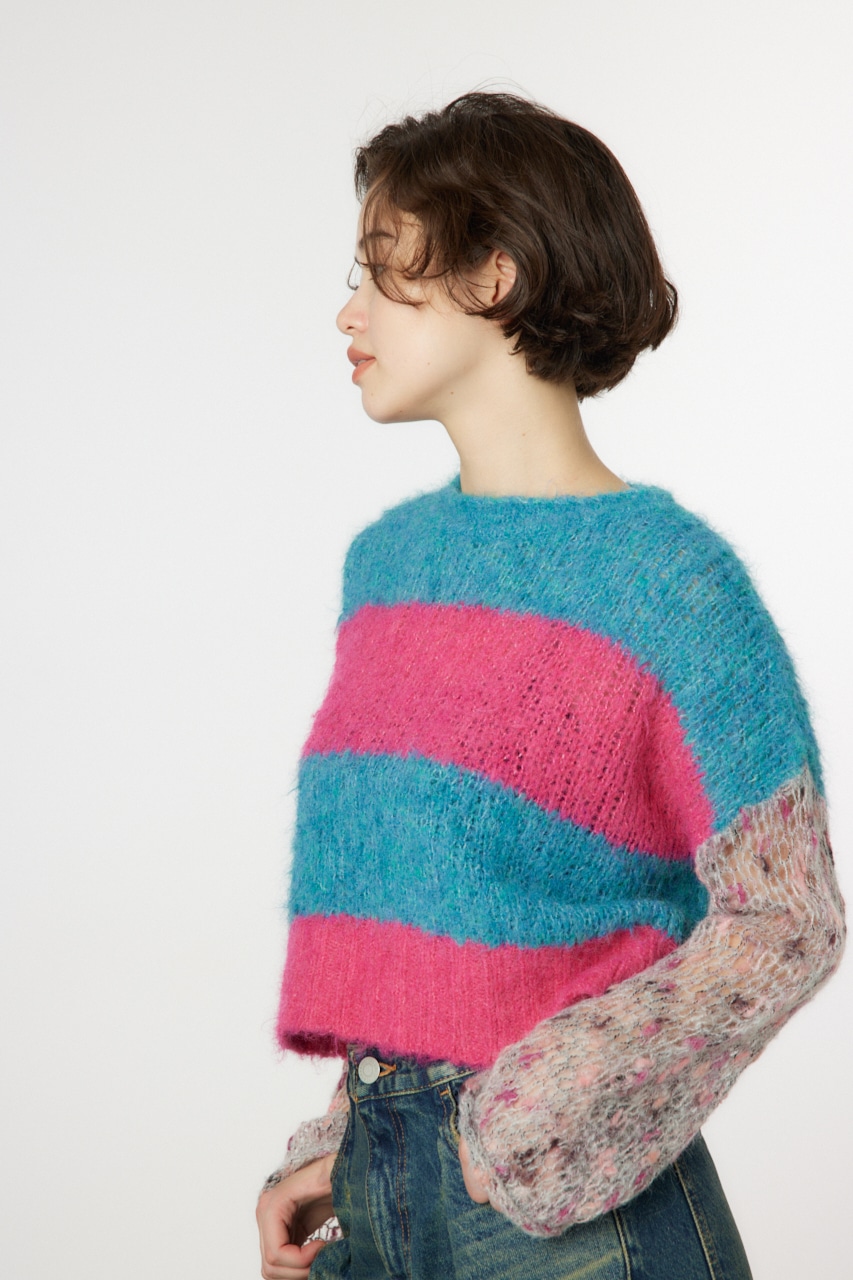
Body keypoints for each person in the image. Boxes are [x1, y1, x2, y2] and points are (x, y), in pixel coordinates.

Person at [255, 92, 846, 1280]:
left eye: (381, 268)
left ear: (495, 273)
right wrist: (344, 1136)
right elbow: (430, 907)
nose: (348, 311)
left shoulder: (667, 581)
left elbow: (788, 914)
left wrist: (535, 1108)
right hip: (376, 1193)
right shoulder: (387, 568)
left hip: (571, 1215)